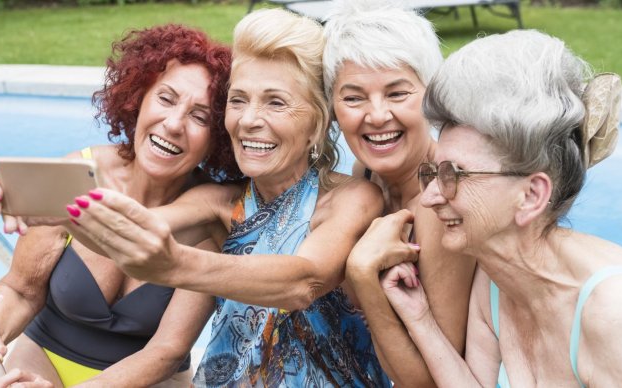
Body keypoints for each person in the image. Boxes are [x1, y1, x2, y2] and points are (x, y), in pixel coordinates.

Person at [372, 30, 622, 387]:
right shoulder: (496, 277)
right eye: (432, 172)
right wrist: (419, 317)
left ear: (531, 195)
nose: (431, 196)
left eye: (454, 175)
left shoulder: (619, 313)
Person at [62, 9, 392, 387]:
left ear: (317, 123)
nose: (249, 119)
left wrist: (176, 265)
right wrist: (43, 206)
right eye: (238, 100)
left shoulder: (352, 198)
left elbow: (305, 280)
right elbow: (136, 223)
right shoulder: (218, 205)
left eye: (275, 102)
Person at [0, 24, 241, 388]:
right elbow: (21, 289)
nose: (174, 124)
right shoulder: (74, 173)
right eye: (165, 98)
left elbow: (166, 351)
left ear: (219, 136)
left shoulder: (211, 217)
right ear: (139, 97)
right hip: (40, 359)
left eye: (200, 116)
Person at [321, 0, 475, 384]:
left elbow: (428, 380)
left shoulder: (442, 202)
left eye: (397, 93)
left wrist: (361, 276)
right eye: (354, 97)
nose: (376, 116)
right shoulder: (367, 174)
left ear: (431, 96)